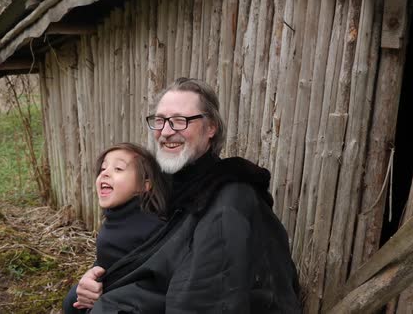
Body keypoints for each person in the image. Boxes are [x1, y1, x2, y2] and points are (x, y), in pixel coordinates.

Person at [75, 78, 301, 313]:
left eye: (180, 121)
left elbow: (208, 296)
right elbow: (136, 246)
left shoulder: (229, 199)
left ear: (211, 127)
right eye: (160, 121)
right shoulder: (164, 186)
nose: (166, 132)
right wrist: (95, 275)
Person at [63, 143, 168, 314]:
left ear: (144, 185)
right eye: (103, 168)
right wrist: (91, 276)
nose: (104, 172)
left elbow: (155, 281)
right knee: (72, 300)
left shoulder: (152, 228)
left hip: (128, 303)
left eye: (118, 168)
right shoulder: (116, 216)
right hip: (105, 291)